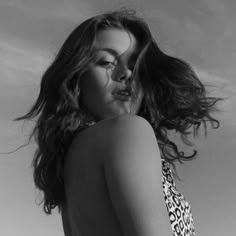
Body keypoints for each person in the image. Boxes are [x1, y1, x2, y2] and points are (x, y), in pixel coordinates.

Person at [13, 9, 222, 236]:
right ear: (75, 78)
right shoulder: (128, 130)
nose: (126, 74)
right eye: (106, 62)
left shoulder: (71, 165)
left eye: (135, 65)